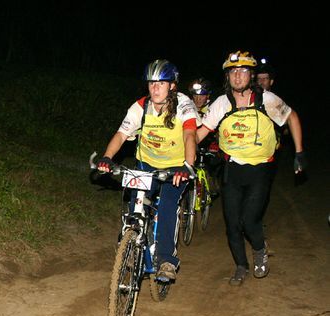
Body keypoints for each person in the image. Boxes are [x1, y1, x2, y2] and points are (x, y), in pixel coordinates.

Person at [196, 50, 306, 286]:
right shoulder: (222, 103)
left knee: (249, 219)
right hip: (231, 169)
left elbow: (292, 118)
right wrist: (179, 150)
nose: (238, 76)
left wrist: (299, 153)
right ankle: (240, 266)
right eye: (233, 72)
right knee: (232, 223)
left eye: (243, 71)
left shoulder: (267, 100)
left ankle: (259, 249)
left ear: (252, 75)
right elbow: (200, 133)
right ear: (227, 76)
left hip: (259, 169)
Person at [97, 59, 199, 281]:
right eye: (151, 83)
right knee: (136, 208)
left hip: (176, 166)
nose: (155, 88)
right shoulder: (140, 106)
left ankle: (166, 261)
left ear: (172, 85)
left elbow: (190, 135)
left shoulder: (183, 105)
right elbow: (122, 134)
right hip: (147, 164)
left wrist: (187, 165)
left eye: (160, 83)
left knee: (167, 206)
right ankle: (134, 248)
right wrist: (107, 157)